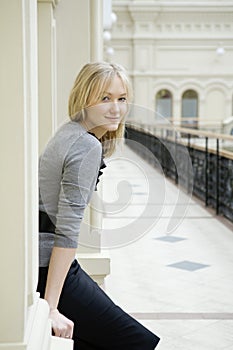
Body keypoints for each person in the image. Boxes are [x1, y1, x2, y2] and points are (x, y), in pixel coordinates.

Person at [37, 61, 160, 349]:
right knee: (136, 342)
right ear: (84, 98)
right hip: (50, 267)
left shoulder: (69, 132)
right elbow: (67, 229)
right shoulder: (86, 145)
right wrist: (50, 308)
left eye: (121, 99)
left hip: (44, 261)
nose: (115, 108)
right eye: (105, 98)